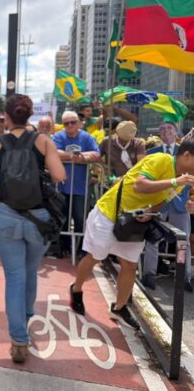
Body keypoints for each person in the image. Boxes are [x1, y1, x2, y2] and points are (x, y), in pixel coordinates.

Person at [0, 94, 65, 363]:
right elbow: (60, 175)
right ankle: (26, 316)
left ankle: (18, 340)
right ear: (30, 114)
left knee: (14, 277)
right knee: (30, 271)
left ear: (7, 116)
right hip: (39, 218)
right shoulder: (43, 141)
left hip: (6, 215)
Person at [70, 141, 194, 328]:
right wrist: (176, 182)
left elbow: (163, 200)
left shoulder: (182, 179)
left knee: (130, 265)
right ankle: (76, 288)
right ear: (187, 155)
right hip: (109, 214)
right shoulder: (162, 160)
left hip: (133, 222)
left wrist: (151, 211)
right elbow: (139, 185)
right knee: (95, 257)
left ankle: (119, 308)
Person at [142, 122, 192, 292]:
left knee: (183, 241)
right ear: (159, 133)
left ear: (176, 132)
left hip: (180, 204)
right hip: (159, 203)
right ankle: (149, 274)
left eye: (169, 128)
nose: (166, 131)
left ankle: (184, 276)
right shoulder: (151, 153)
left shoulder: (185, 152)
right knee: (153, 238)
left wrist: (190, 198)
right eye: (162, 129)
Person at [53, 111, 101, 257]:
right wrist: (75, 156)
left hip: (81, 187)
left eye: (73, 122)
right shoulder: (59, 136)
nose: (70, 125)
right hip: (61, 186)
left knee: (81, 219)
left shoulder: (87, 137)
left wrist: (83, 158)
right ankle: (64, 248)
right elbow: (54, 152)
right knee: (63, 218)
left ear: (79, 123)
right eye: (66, 123)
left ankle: (81, 249)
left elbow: (96, 154)